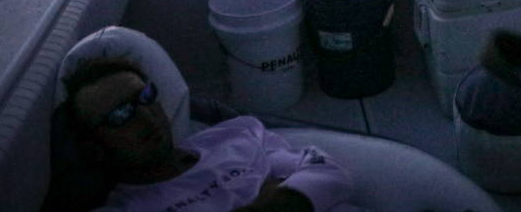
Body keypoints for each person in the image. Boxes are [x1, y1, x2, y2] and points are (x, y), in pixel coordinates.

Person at [62, 56, 360, 212]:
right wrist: (282, 198)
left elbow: (332, 173)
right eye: (119, 115)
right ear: (95, 149)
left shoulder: (236, 135)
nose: (144, 115)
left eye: (144, 97)